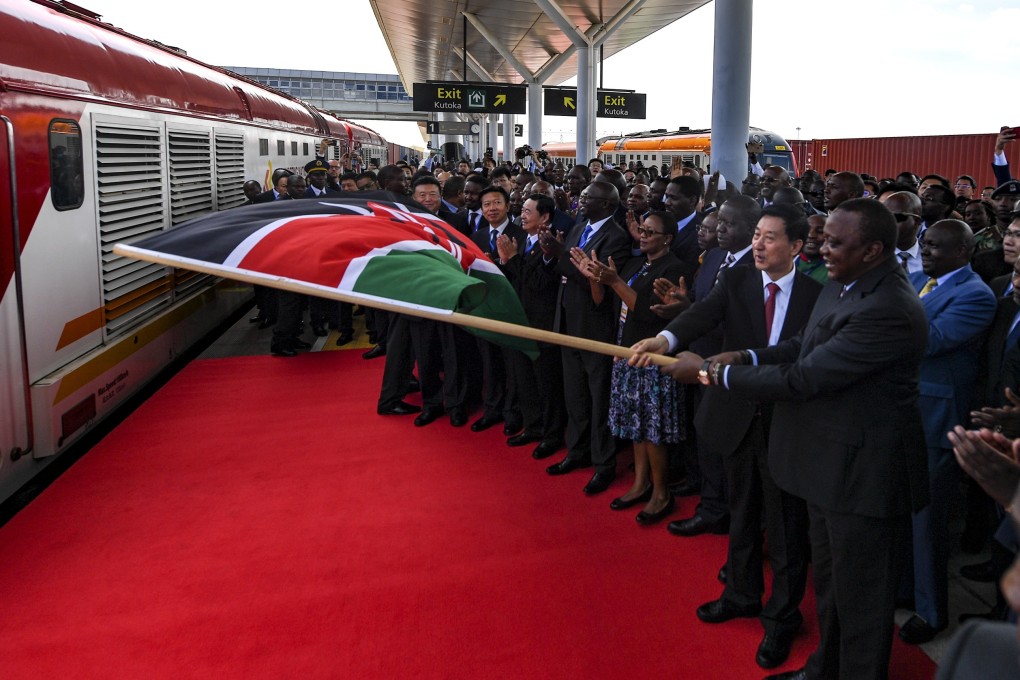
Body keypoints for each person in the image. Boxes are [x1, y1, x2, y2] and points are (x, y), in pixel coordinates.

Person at [632, 198, 930, 680]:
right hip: (828, 463)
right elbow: (798, 347)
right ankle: (823, 668)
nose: (822, 248)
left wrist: (711, 374)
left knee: (861, 604)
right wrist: (743, 357)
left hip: (865, 476)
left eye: (834, 241)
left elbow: (804, 378)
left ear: (874, 249)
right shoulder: (846, 282)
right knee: (833, 589)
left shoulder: (888, 308)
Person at [632, 204, 823, 669]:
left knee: (785, 528)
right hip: (737, 417)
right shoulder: (736, 280)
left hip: (788, 422)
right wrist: (665, 340)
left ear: (796, 246)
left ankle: (782, 618)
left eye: (770, 237)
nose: (758, 244)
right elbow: (701, 315)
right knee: (742, 509)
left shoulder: (820, 295)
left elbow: (802, 359)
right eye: (756, 235)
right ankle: (740, 594)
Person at [899, 220, 996, 644]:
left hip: (937, 419)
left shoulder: (976, 294)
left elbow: (931, 340)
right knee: (902, 511)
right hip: (902, 411)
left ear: (964, 251)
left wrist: (880, 321)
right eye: (925, 242)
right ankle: (904, 590)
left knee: (927, 521)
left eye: (937, 246)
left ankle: (931, 611)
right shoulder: (919, 279)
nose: (926, 250)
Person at [570, 210, 691, 522]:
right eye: (643, 229)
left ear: (668, 239)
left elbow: (648, 312)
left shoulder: (674, 268)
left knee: (653, 431)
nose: (645, 235)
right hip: (626, 353)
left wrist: (614, 281)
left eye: (652, 231)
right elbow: (608, 302)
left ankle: (662, 493)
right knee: (636, 427)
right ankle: (640, 483)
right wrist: (596, 279)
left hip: (653, 359)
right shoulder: (637, 263)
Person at [540, 180, 632, 495]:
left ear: (606, 204)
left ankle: (603, 463)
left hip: (595, 329)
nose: (581, 199)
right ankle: (576, 452)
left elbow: (598, 284)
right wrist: (552, 256)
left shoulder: (617, 239)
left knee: (598, 398)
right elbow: (567, 274)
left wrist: (561, 254)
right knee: (574, 395)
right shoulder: (581, 227)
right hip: (568, 322)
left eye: (588, 197)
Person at [495, 194, 566, 459]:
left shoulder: (550, 244)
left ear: (545, 217)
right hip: (520, 321)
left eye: (528, 211)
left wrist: (512, 260)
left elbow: (539, 284)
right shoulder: (523, 240)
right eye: (521, 210)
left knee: (546, 384)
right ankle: (532, 426)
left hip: (543, 325)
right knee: (524, 379)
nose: (521, 215)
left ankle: (551, 434)